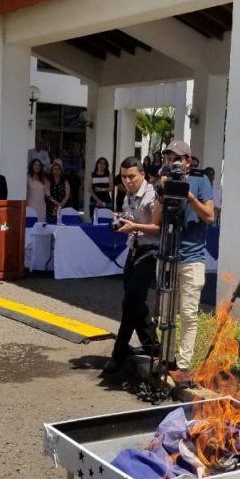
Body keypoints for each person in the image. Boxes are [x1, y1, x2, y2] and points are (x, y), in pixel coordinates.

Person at [152, 141, 215, 372]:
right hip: (168, 255)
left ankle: (184, 364)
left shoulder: (200, 180)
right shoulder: (163, 180)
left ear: (188, 160)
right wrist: (162, 191)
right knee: (166, 313)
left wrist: (189, 197)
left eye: (176, 158)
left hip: (192, 257)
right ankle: (166, 359)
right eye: (168, 158)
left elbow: (209, 217)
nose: (172, 162)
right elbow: (155, 221)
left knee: (188, 314)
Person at [102, 157, 161, 374]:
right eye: (124, 177)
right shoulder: (128, 195)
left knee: (130, 302)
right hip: (134, 249)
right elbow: (130, 219)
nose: (127, 181)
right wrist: (122, 220)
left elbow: (158, 227)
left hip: (150, 251)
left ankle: (119, 353)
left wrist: (134, 225)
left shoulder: (153, 196)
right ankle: (153, 346)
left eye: (132, 177)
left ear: (142, 175)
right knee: (136, 303)